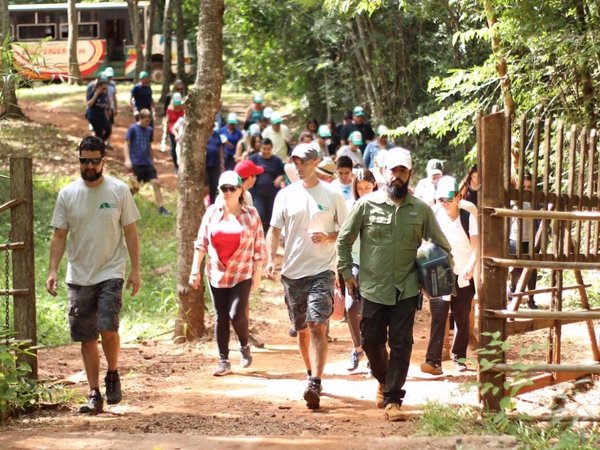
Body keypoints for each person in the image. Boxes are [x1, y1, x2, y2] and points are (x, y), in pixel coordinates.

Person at [337, 147, 451, 421]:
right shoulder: (365, 205)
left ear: (410, 174)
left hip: (407, 288)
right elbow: (344, 240)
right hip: (372, 288)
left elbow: (442, 246)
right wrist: (347, 274)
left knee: (401, 343)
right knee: (371, 341)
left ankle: (392, 399)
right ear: (383, 173)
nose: (397, 176)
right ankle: (384, 379)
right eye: (393, 171)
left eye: (403, 171)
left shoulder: (421, 210)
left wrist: (431, 272)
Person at [46, 136, 141, 415]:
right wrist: (53, 269)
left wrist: (135, 270)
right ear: (79, 161)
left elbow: (131, 232)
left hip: (111, 270)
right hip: (78, 275)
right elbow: (59, 235)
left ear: (103, 161)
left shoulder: (119, 190)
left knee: (108, 327)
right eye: (84, 160)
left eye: (94, 160)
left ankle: (112, 373)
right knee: (87, 336)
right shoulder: (67, 194)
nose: (89, 165)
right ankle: (93, 392)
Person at [266, 143, 348, 410]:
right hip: (292, 273)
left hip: (322, 270)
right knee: (301, 330)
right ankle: (309, 372)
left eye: (303, 161)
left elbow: (347, 231)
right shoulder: (285, 196)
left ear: (316, 162)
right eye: (295, 162)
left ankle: (315, 382)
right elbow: (274, 230)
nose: (298, 166)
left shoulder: (333, 196)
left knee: (317, 325)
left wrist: (328, 237)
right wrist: (270, 260)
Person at [189, 171, 266, 376]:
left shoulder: (251, 214)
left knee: (236, 314)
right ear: (219, 190)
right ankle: (223, 360)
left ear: (240, 190)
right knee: (220, 316)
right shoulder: (212, 212)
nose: (228, 192)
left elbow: (259, 245)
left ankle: (244, 345)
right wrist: (194, 270)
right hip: (217, 272)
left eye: (233, 188)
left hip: (242, 272)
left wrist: (258, 272)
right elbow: (201, 242)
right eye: (224, 188)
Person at [421, 176, 478, 376]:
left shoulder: (467, 217)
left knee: (461, 316)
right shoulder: (435, 215)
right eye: (440, 199)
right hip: (440, 272)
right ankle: (432, 360)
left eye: (448, 199)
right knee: (439, 314)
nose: (444, 203)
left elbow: (476, 247)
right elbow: (426, 243)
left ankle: (459, 357)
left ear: (457, 197)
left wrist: (471, 267)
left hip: (463, 272)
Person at [342, 169, 378, 371]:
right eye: (360, 187)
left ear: (374, 185)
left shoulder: (383, 205)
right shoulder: (350, 206)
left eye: (367, 187)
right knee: (351, 307)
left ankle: (374, 354)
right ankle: (357, 348)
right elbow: (342, 238)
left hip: (377, 266)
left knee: (372, 312)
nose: (364, 191)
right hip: (355, 263)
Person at [123, 108, 171, 216]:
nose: (148, 122)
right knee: (135, 187)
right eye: (146, 120)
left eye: (149, 120)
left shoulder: (149, 130)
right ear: (140, 118)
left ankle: (161, 208)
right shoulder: (133, 129)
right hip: (136, 162)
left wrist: (152, 161)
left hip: (147, 163)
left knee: (156, 183)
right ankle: (123, 202)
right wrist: (127, 159)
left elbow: (149, 147)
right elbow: (126, 144)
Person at [509, 172, 538, 309]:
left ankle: (531, 298)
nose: (526, 189)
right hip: (515, 238)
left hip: (531, 238)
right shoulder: (513, 199)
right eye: (524, 187)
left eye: (529, 187)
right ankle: (514, 295)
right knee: (516, 269)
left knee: (531, 270)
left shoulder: (535, 200)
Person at [249, 138, 285, 233]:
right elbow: (247, 173)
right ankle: (259, 233)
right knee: (259, 213)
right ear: (260, 148)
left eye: (268, 149)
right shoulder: (254, 159)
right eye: (264, 149)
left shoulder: (276, 160)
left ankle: (268, 235)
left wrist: (280, 178)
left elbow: (282, 173)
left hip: (272, 193)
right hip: (258, 193)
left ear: (271, 148)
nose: (266, 151)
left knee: (271, 216)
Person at [85, 75, 111, 144]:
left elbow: (105, 103)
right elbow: (88, 104)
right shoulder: (93, 91)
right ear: (99, 85)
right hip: (93, 115)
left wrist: (108, 111)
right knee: (98, 133)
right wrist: (96, 95)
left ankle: (99, 144)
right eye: (103, 87)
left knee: (108, 130)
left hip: (102, 114)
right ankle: (98, 147)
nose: (104, 89)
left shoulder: (104, 93)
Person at [206, 123, 225, 205]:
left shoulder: (217, 135)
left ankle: (212, 202)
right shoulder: (203, 135)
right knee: (206, 185)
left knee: (214, 185)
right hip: (205, 165)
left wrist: (221, 163)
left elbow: (220, 148)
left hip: (215, 163)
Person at [165, 93, 185, 171]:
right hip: (172, 129)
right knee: (174, 146)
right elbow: (168, 120)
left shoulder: (183, 108)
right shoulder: (170, 109)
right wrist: (166, 131)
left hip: (181, 128)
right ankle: (176, 165)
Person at [103, 67, 117, 149]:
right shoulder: (102, 84)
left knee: (110, 125)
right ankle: (103, 141)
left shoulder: (113, 84)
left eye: (110, 77)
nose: (109, 79)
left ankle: (108, 142)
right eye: (108, 77)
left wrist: (115, 107)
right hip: (104, 108)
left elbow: (114, 96)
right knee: (104, 125)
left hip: (111, 107)